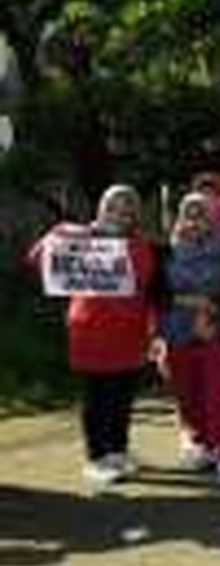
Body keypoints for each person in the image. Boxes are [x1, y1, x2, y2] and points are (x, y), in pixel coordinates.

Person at [29, 186, 158, 489]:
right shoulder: (76, 235)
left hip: (130, 330)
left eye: (127, 208)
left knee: (123, 395)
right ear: (101, 208)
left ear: (134, 215)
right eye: (113, 205)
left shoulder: (139, 244)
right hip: (91, 328)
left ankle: (117, 450)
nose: (120, 212)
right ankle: (96, 457)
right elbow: (36, 259)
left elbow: (145, 282)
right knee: (98, 395)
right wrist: (58, 235)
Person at [163, 193, 220, 485]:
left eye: (202, 213)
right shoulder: (168, 251)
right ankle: (204, 445)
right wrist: (193, 302)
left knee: (218, 393)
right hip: (177, 330)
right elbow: (158, 293)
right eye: (189, 213)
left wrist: (210, 312)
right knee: (188, 393)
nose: (195, 220)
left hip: (216, 328)